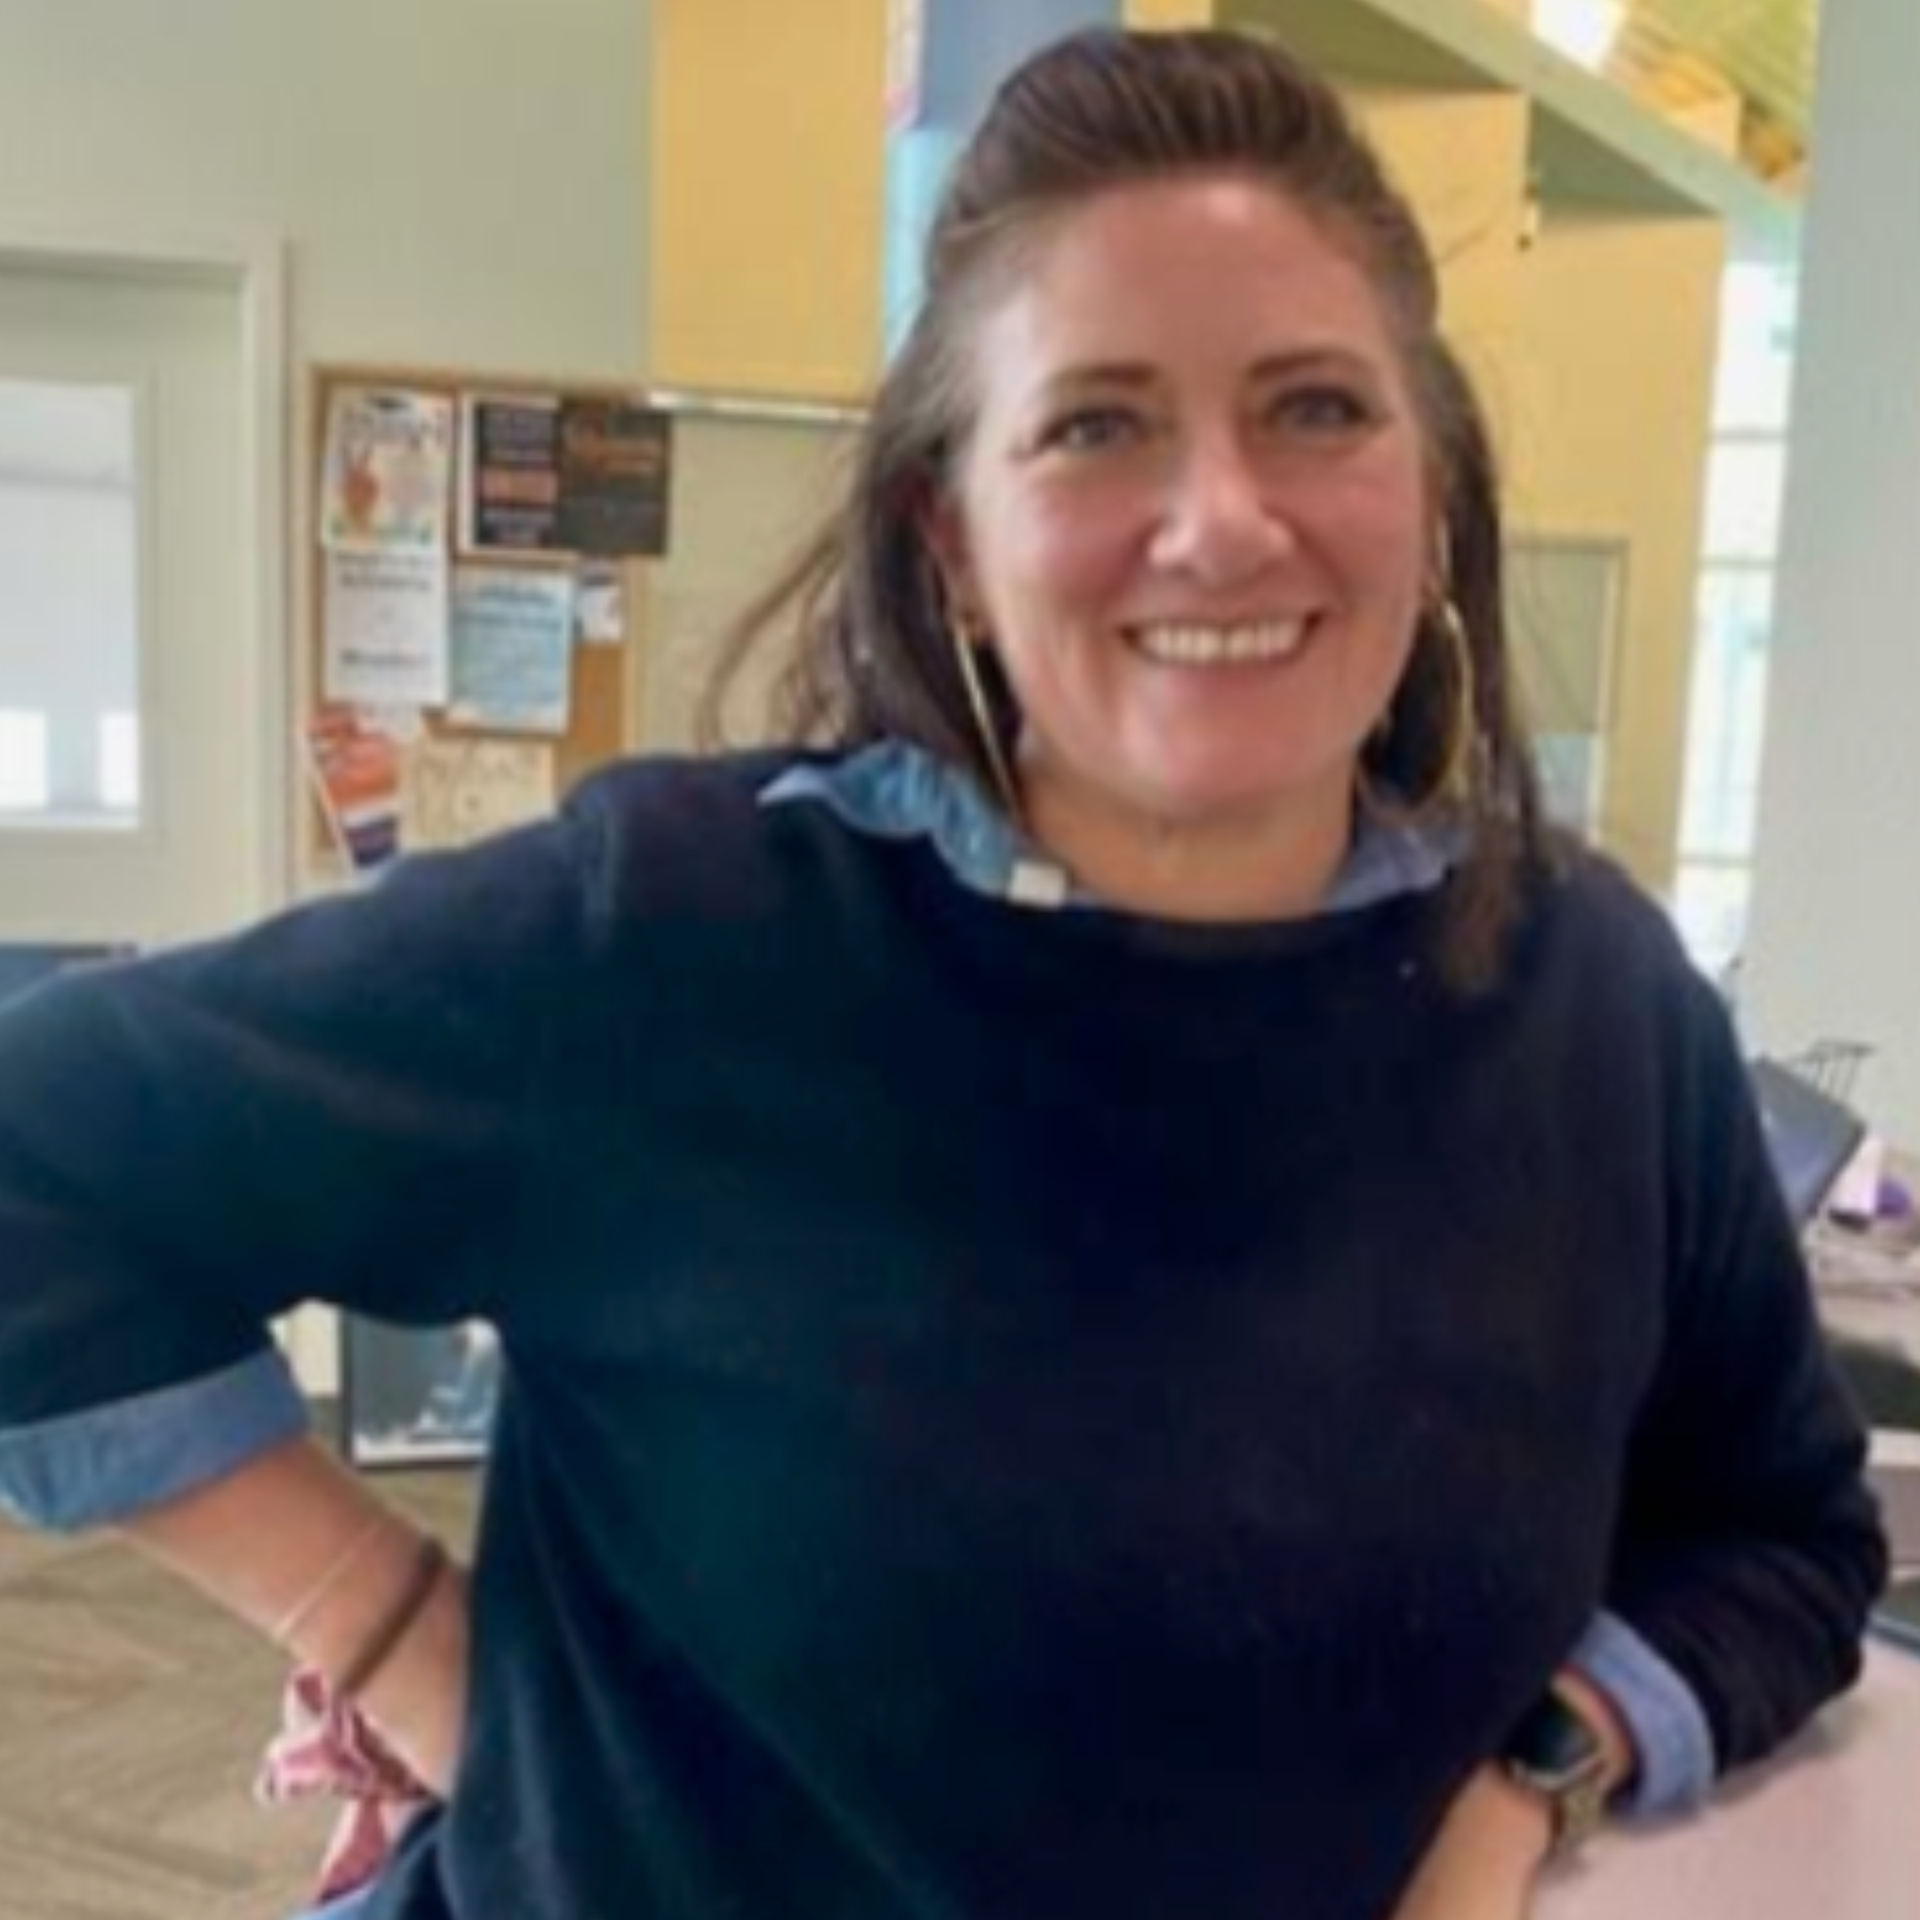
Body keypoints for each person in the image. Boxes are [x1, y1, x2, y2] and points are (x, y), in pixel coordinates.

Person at [0, 28, 1887, 1920]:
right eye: (1095, 423)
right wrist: (395, 1623)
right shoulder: (678, 938)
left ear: (1432, 481)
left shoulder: (1594, 1005)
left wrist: (1534, 1779)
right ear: (954, 542)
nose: (1225, 517)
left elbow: (1779, 1530)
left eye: (1317, 408)